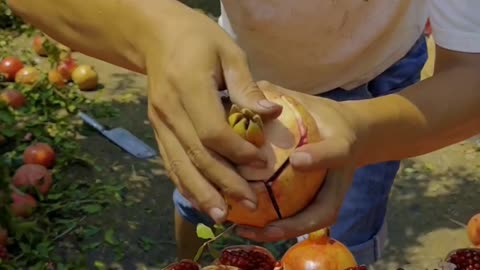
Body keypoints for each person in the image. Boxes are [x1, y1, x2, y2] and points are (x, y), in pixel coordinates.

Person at [8, 0, 480, 266]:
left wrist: (361, 129)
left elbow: (473, 76)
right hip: (236, 73)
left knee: (340, 237)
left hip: (377, 87)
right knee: (203, 202)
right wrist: (154, 30)